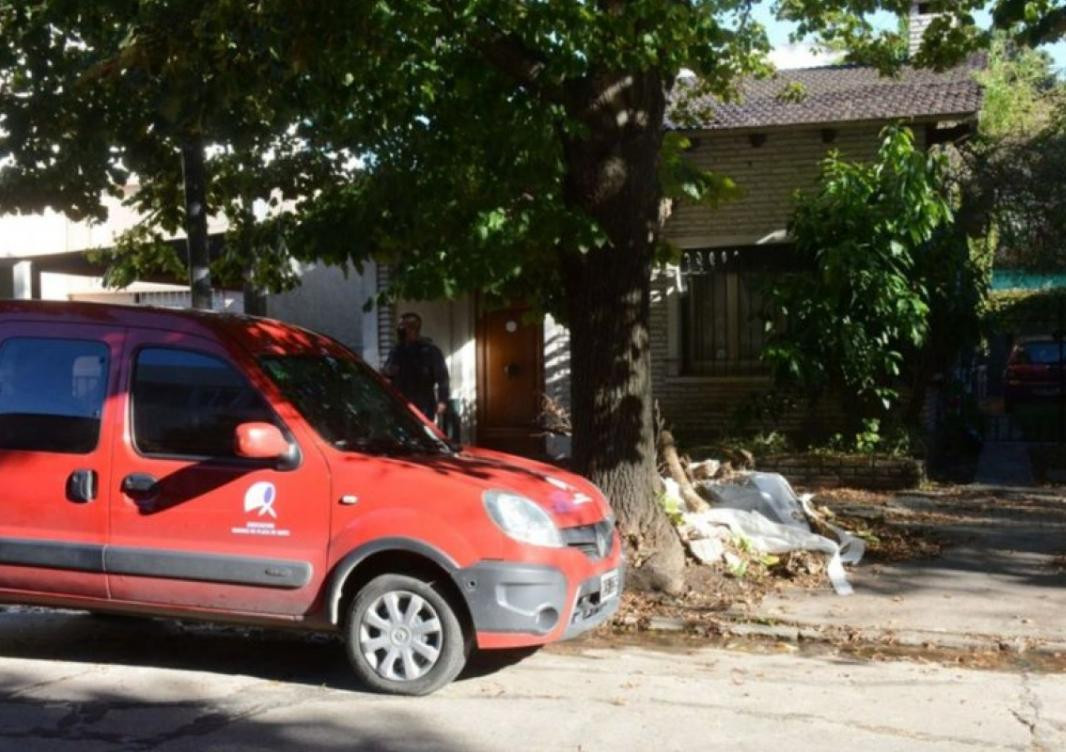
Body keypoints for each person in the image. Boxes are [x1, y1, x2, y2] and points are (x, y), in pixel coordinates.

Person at [383, 312, 450, 422]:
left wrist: (442, 401)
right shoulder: (396, 350)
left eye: (402, 326)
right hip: (400, 404)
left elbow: (442, 378)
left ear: (412, 329)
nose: (399, 329)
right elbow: (387, 373)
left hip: (423, 405)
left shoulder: (430, 351)